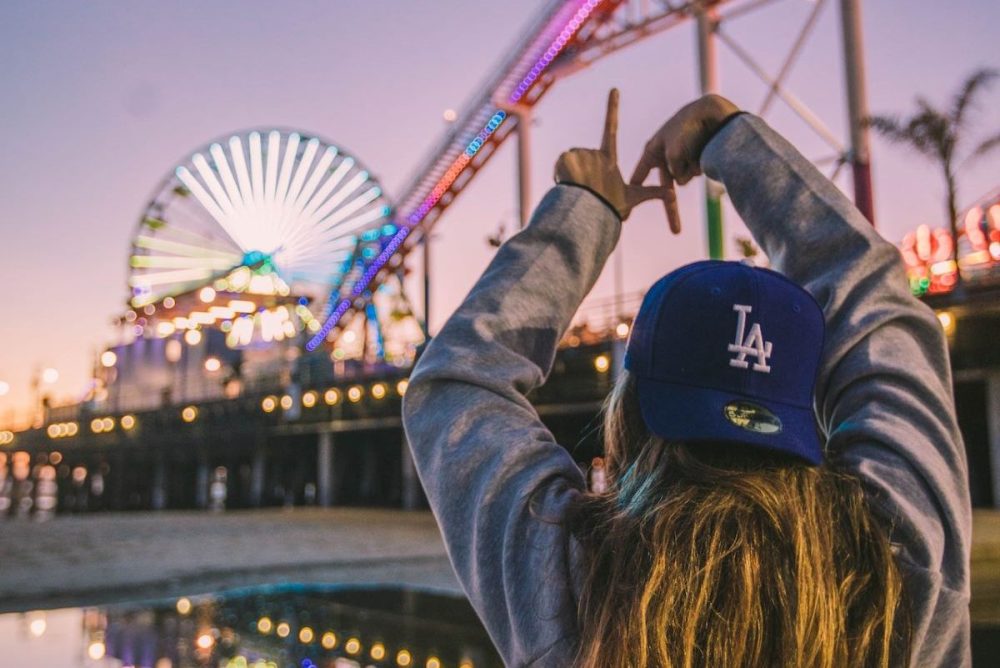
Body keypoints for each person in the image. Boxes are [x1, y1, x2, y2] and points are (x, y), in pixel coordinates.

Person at [401, 91, 970, 667]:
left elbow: (458, 380)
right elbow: (876, 299)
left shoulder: (571, 578)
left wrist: (584, 210)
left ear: (629, 409)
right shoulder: (898, 557)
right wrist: (734, 138)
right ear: (801, 406)